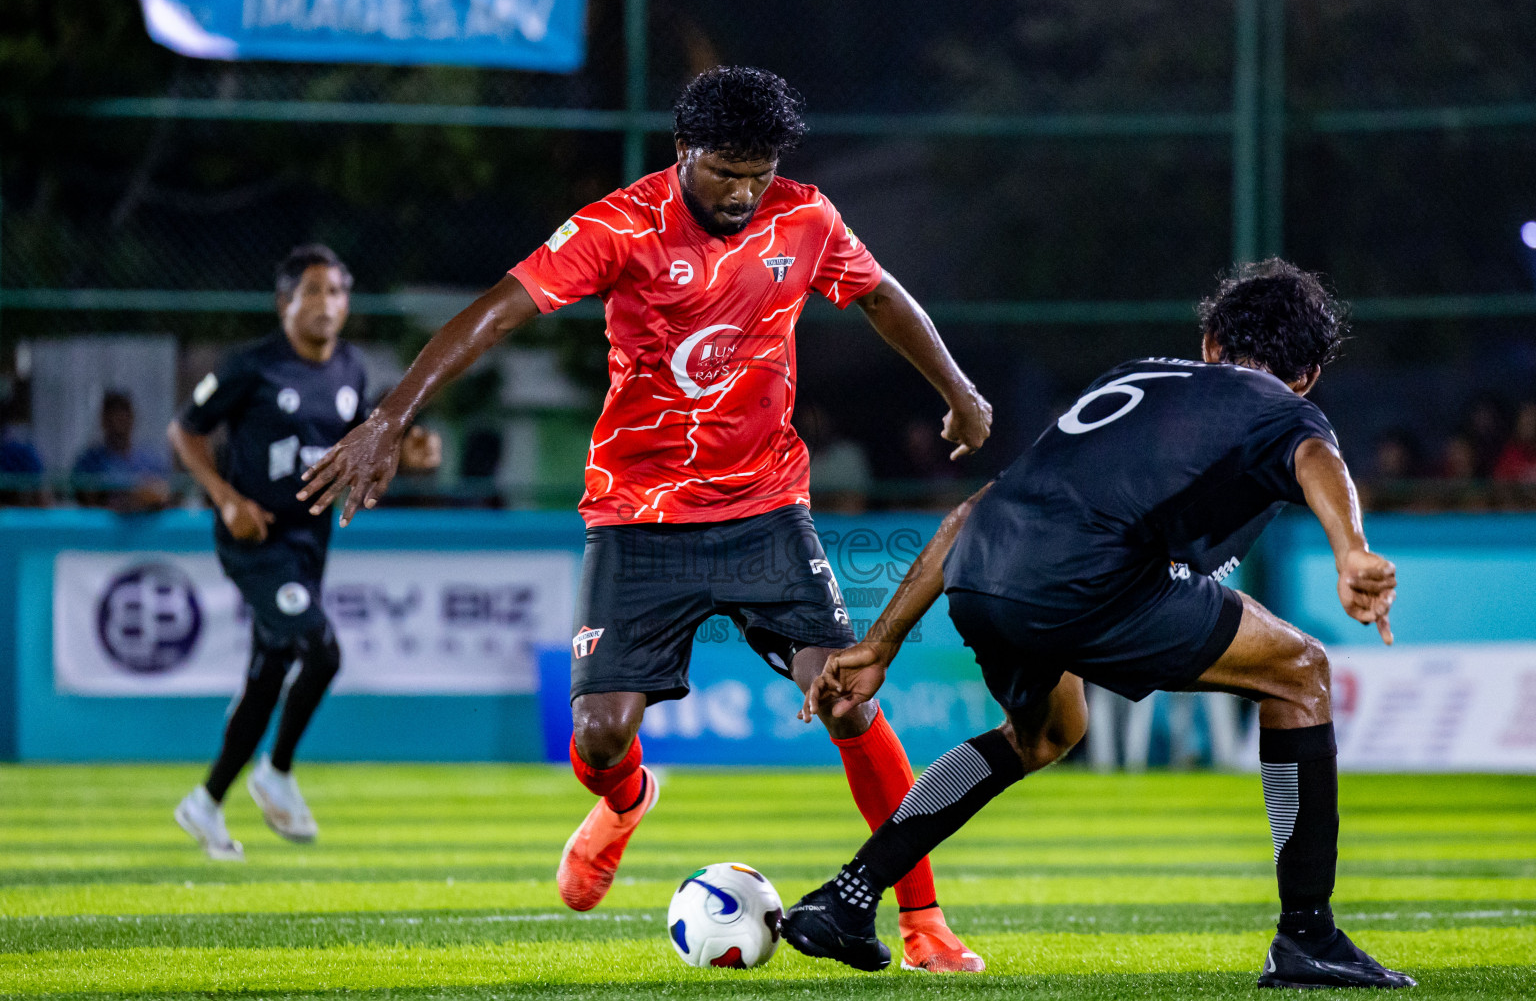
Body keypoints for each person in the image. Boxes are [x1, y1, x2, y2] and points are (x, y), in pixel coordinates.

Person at [299, 66, 994, 971]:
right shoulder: (620, 225)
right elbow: (501, 311)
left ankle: (923, 921)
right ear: (682, 154)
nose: (742, 193)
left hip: (765, 509)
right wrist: (389, 419)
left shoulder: (805, 217)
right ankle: (626, 800)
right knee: (599, 737)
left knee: (849, 698)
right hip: (638, 515)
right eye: (723, 173)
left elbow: (879, 296)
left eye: (757, 173)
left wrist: (958, 389)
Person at [781, 259, 1415, 990]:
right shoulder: (1283, 406)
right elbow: (1316, 458)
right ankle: (1308, 935)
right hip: (1088, 579)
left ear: (1209, 341)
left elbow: (974, 508)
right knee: (1301, 672)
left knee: (1045, 733)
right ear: (1305, 376)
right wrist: (1352, 550)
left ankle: (845, 898)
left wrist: (880, 642)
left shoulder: (1135, 378)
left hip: (983, 569)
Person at [168, 244, 440, 860]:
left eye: (337, 291)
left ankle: (206, 803)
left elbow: (358, 449)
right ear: (284, 302)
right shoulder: (252, 367)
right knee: (321, 651)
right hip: (258, 541)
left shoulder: (350, 370)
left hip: (309, 543)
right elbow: (183, 430)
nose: (326, 304)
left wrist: (407, 454)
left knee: (267, 677)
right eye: (312, 291)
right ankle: (277, 771)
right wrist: (225, 499)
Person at [72, 390, 174, 512]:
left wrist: (146, 497)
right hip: (103, 530)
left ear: (132, 417)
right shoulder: (90, 460)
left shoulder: (151, 460)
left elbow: (166, 496)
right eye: (112, 414)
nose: (117, 420)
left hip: (145, 529)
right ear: (103, 419)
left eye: (123, 413)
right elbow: (86, 499)